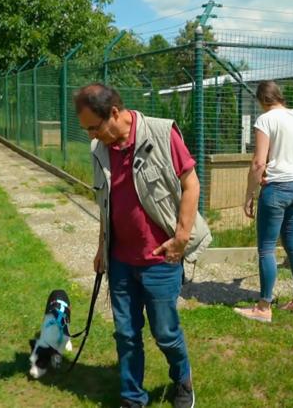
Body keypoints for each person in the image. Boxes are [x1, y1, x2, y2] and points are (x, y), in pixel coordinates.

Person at [74, 83, 212, 408]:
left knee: (165, 333)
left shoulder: (162, 134)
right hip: (120, 260)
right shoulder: (100, 150)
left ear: (115, 113)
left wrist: (180, 237)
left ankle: (183, 380)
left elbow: (191, 184)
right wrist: (101, 248)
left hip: (160, 259)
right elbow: (106, 203)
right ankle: (132, 397)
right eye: (87, 129)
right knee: (126, 334)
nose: (91, 136)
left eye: (94, 126)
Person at [234, 80, 293, 323]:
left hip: (276, 190)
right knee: (292, 245)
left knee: (266, 248)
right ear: (279, 96)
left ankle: (264, 307)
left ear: (261, 100)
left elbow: (259, 162)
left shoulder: (265, 120)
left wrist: (249, 194)